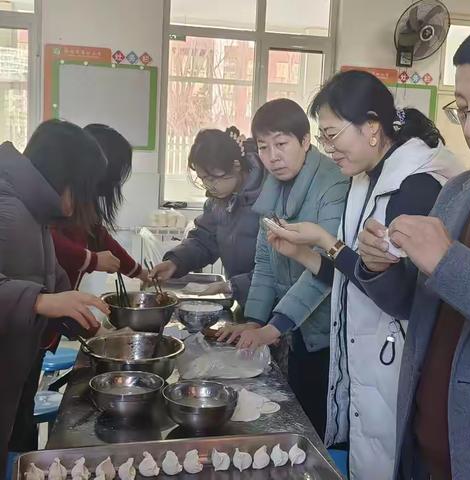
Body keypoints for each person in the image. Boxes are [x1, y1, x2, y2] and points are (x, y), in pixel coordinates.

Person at [263, 71, 464, 479]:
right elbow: (353, 276)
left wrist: (330, 243)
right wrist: (311, 248)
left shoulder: (417, 186)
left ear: (372, 127)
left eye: (333, 135)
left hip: (394, 363)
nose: (329, 150)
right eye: (324, 138)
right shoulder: (363, 178)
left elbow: (402, 299)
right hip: (364, 360)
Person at [356, 28, 470, 480]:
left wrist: (448, 261)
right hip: (425, 446)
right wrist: (378, 266)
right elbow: (417, 306)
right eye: (463, 110)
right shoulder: (459, 191)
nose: (468, 129)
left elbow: (451, 272)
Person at [217, 99, 349, 437]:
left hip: (329, 334)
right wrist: (253, 321)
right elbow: (266, 263)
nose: (272, 156)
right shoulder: (273, 188)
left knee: (317, 429)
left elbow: (324, 272)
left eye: (281, 144)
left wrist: (271, 330)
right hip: (294, 330)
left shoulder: (333, 185)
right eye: (263, 146)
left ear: (306, 141)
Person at [0, 119, 110, 477]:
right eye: (86, 189)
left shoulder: (33, 212)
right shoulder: (6, 206)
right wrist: (42, 302)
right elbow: (37, 294)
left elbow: (45, 279)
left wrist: (71, 309)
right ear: (66, 180)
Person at [151, 126, 264, 308]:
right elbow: (204, 240)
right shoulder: (217, 201)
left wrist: (230, 286)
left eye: (212, 178)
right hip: (245, 301)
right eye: (202, 178)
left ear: (236, 166)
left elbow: (274, 269)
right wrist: (175, 262)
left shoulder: (267, 196)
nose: (208, 186)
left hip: (274, 303)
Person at [51, 124, 148, 290]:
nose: (114, 184)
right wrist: (92, 260)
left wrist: (140, 272)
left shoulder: (84, 202)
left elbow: (99, 238)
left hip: (62, 299)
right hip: (43, 301)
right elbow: (49, 242)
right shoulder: (59, 195)